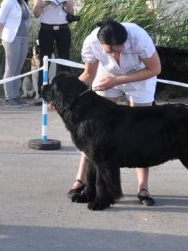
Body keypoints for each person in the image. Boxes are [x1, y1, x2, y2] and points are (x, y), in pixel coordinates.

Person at [67, 19, 162, 206]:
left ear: (126, 41)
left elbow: (155, 68)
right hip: (106, 76)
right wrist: (69, 97)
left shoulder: (138, 37)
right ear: (100, 43)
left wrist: (118, 81)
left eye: (120, 50)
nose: (116, 54)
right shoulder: (91, 42)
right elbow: (88, 75)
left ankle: (143, 187)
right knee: (94, 132)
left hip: (140, 76)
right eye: (110, 51)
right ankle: (82, 179)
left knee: (140, 131)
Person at [33, 0, 76, 81]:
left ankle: (66, 87)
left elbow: (71, 12)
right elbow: (36, 14)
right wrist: (41, 5)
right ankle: (43, 89)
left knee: (65, 59)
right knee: (45, 59)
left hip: (63, 27)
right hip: (46, 28)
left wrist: (69, 5)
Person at [0, 0, 31, 107]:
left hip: (24, 36)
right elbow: (0, 21)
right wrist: (3, 37)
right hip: (12, 37)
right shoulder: (9, 0)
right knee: (10, 67)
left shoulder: (23, 0)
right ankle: (9, 97)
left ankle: (16, 95)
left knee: (18, 67)